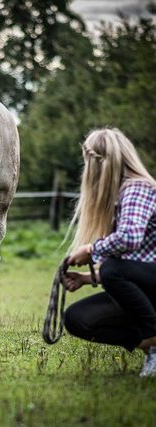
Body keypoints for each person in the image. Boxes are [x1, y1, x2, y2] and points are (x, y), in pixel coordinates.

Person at [63, 128, 156, 377]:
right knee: (76, 318)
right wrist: (86, 279)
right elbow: (136, 267)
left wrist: (91, 251)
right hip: (148, 285)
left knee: (112, 268)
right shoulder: (121, 197)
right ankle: (148, 345)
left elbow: (130, 238)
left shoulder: (137, 189)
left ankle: (154, 340)